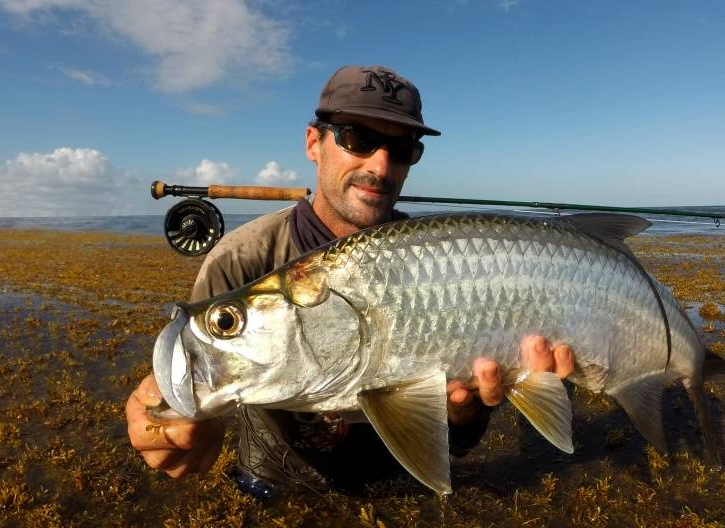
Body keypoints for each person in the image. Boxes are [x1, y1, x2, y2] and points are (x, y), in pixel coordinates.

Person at [126, 65, 574, 496]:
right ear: (313, 142)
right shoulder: (240, 262)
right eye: (357, 138)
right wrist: (167, 422)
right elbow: (210, 391)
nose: (380, 166)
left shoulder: (440, 262)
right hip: (278, 484)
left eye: (402, 149)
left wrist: (467, 411)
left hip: (403, 480)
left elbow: (456, 440)